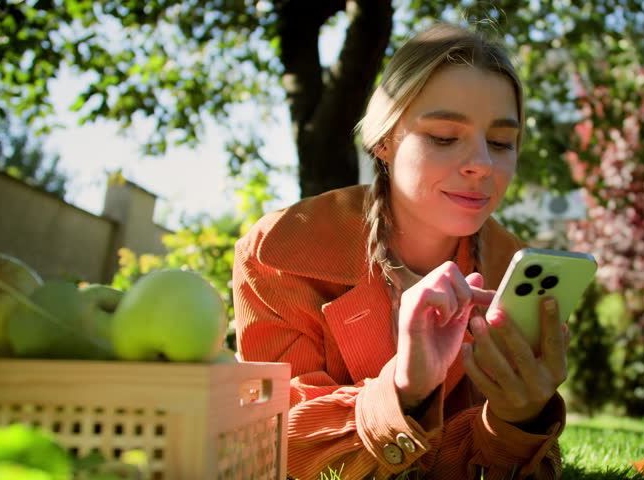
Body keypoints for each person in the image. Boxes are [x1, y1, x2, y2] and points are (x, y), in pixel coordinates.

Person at [233, 22, 568, 479]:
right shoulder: (279, 252)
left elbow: (475, 462)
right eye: (445, 137)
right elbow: (277, 440)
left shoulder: (513, 272)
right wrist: (405, 388)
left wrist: (518, 420)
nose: (483, 165)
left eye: (500, 143)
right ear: (385, 141)